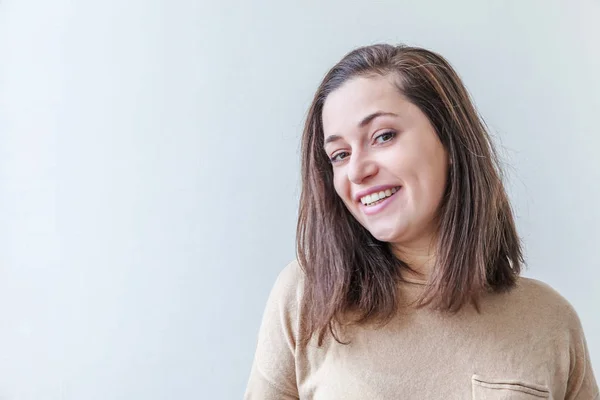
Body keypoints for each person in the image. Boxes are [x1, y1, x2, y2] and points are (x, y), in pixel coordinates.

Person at [244, 44, 598, 399]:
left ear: (450, 141)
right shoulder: (308, 298)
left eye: (383, 136)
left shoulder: (550, 322)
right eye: (339, 154)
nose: (356, 170)